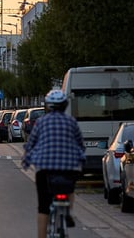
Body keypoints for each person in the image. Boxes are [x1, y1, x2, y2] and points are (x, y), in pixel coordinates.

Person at [22, 89, 85, 238]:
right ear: (65, 105)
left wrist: (26, 159)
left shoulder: (41, 122)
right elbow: (80, 145)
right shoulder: (71, 121)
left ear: (48, 106)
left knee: (43, 208)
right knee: (70, 187)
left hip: (45, 170)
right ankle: (69, 211)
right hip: (68, 169)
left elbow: (30, 144)